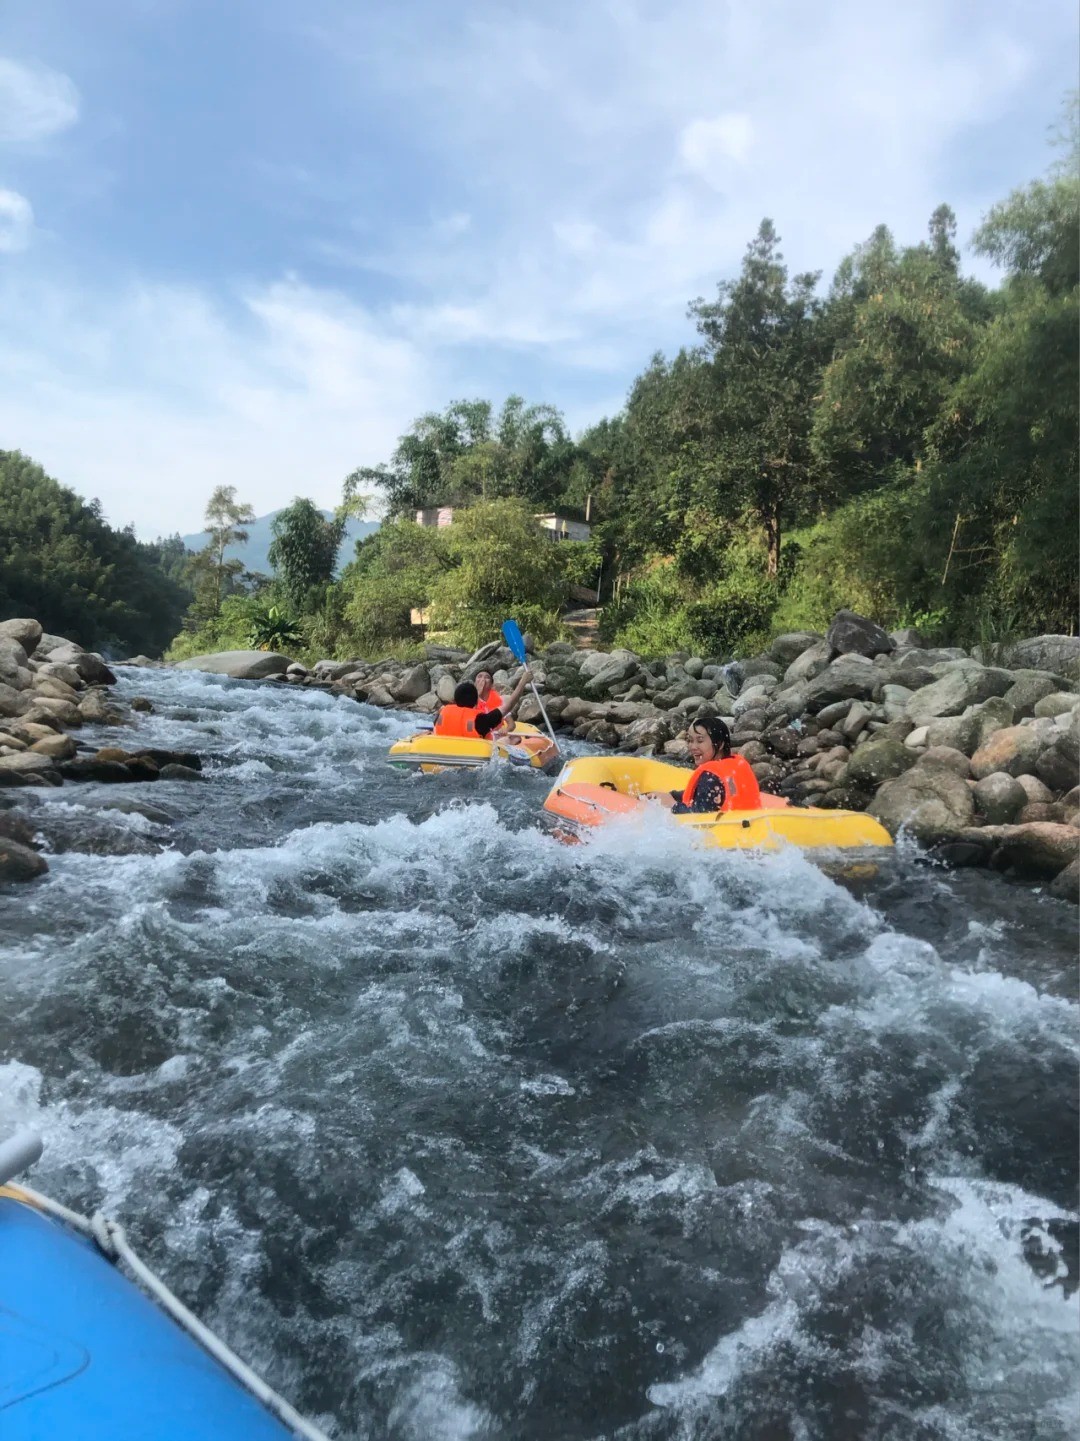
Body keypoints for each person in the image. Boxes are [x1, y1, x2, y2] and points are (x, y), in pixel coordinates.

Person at [645, 716, 762, 814]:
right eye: (690, 740)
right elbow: (708, 795)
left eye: (700, 741)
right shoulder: (735, 764)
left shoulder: (710, 776)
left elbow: (700, 817)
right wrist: (672, 795)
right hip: (747, 826)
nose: (693, 747)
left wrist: (672, 804)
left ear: (719, 744)